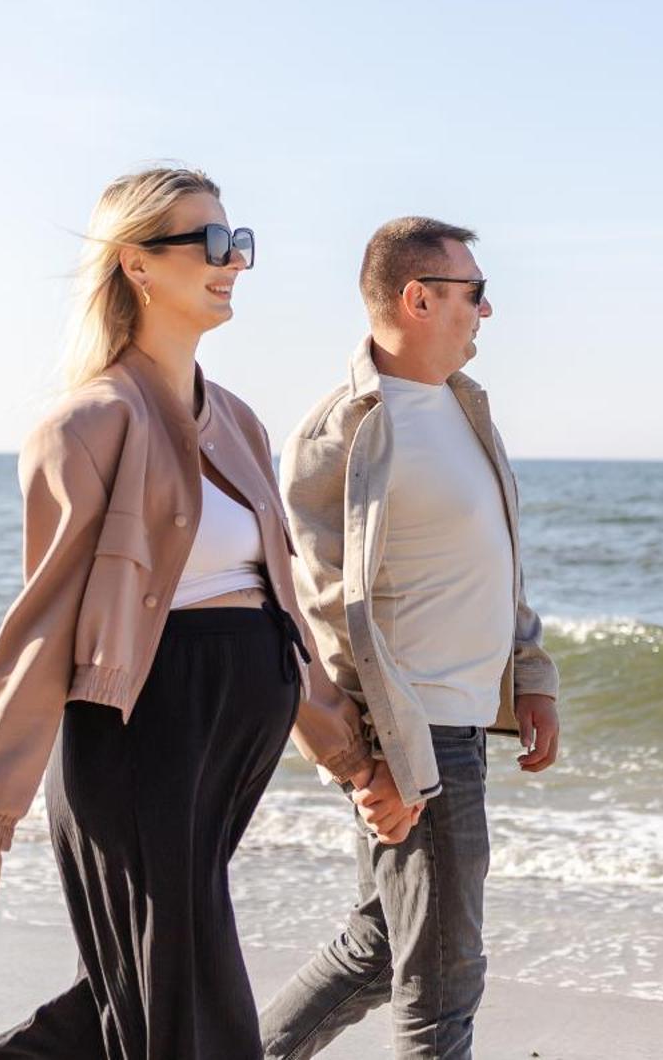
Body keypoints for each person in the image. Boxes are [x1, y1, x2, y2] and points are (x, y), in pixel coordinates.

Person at [0, 168, 402, 1060]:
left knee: (133, 1002)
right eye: (211, 245)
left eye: (239, 243)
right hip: (140, 744)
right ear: (136, 264)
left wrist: (349, 757)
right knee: (196, 1015)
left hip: (221, 758)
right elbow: (37, 637)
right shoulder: (84, 427)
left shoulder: (237, 421)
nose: (234, 263)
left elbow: (280, 611)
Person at [260, 215, 563, 1060]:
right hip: (415, 732)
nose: (488, 312)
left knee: (381, 947)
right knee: (442, 985)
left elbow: (496, 556)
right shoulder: (342, 433)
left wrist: (530, 674)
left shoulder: (466, 407)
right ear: (418, 297)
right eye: (476, 292)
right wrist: (379, 758)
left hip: (463, 720)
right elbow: (322, 610)